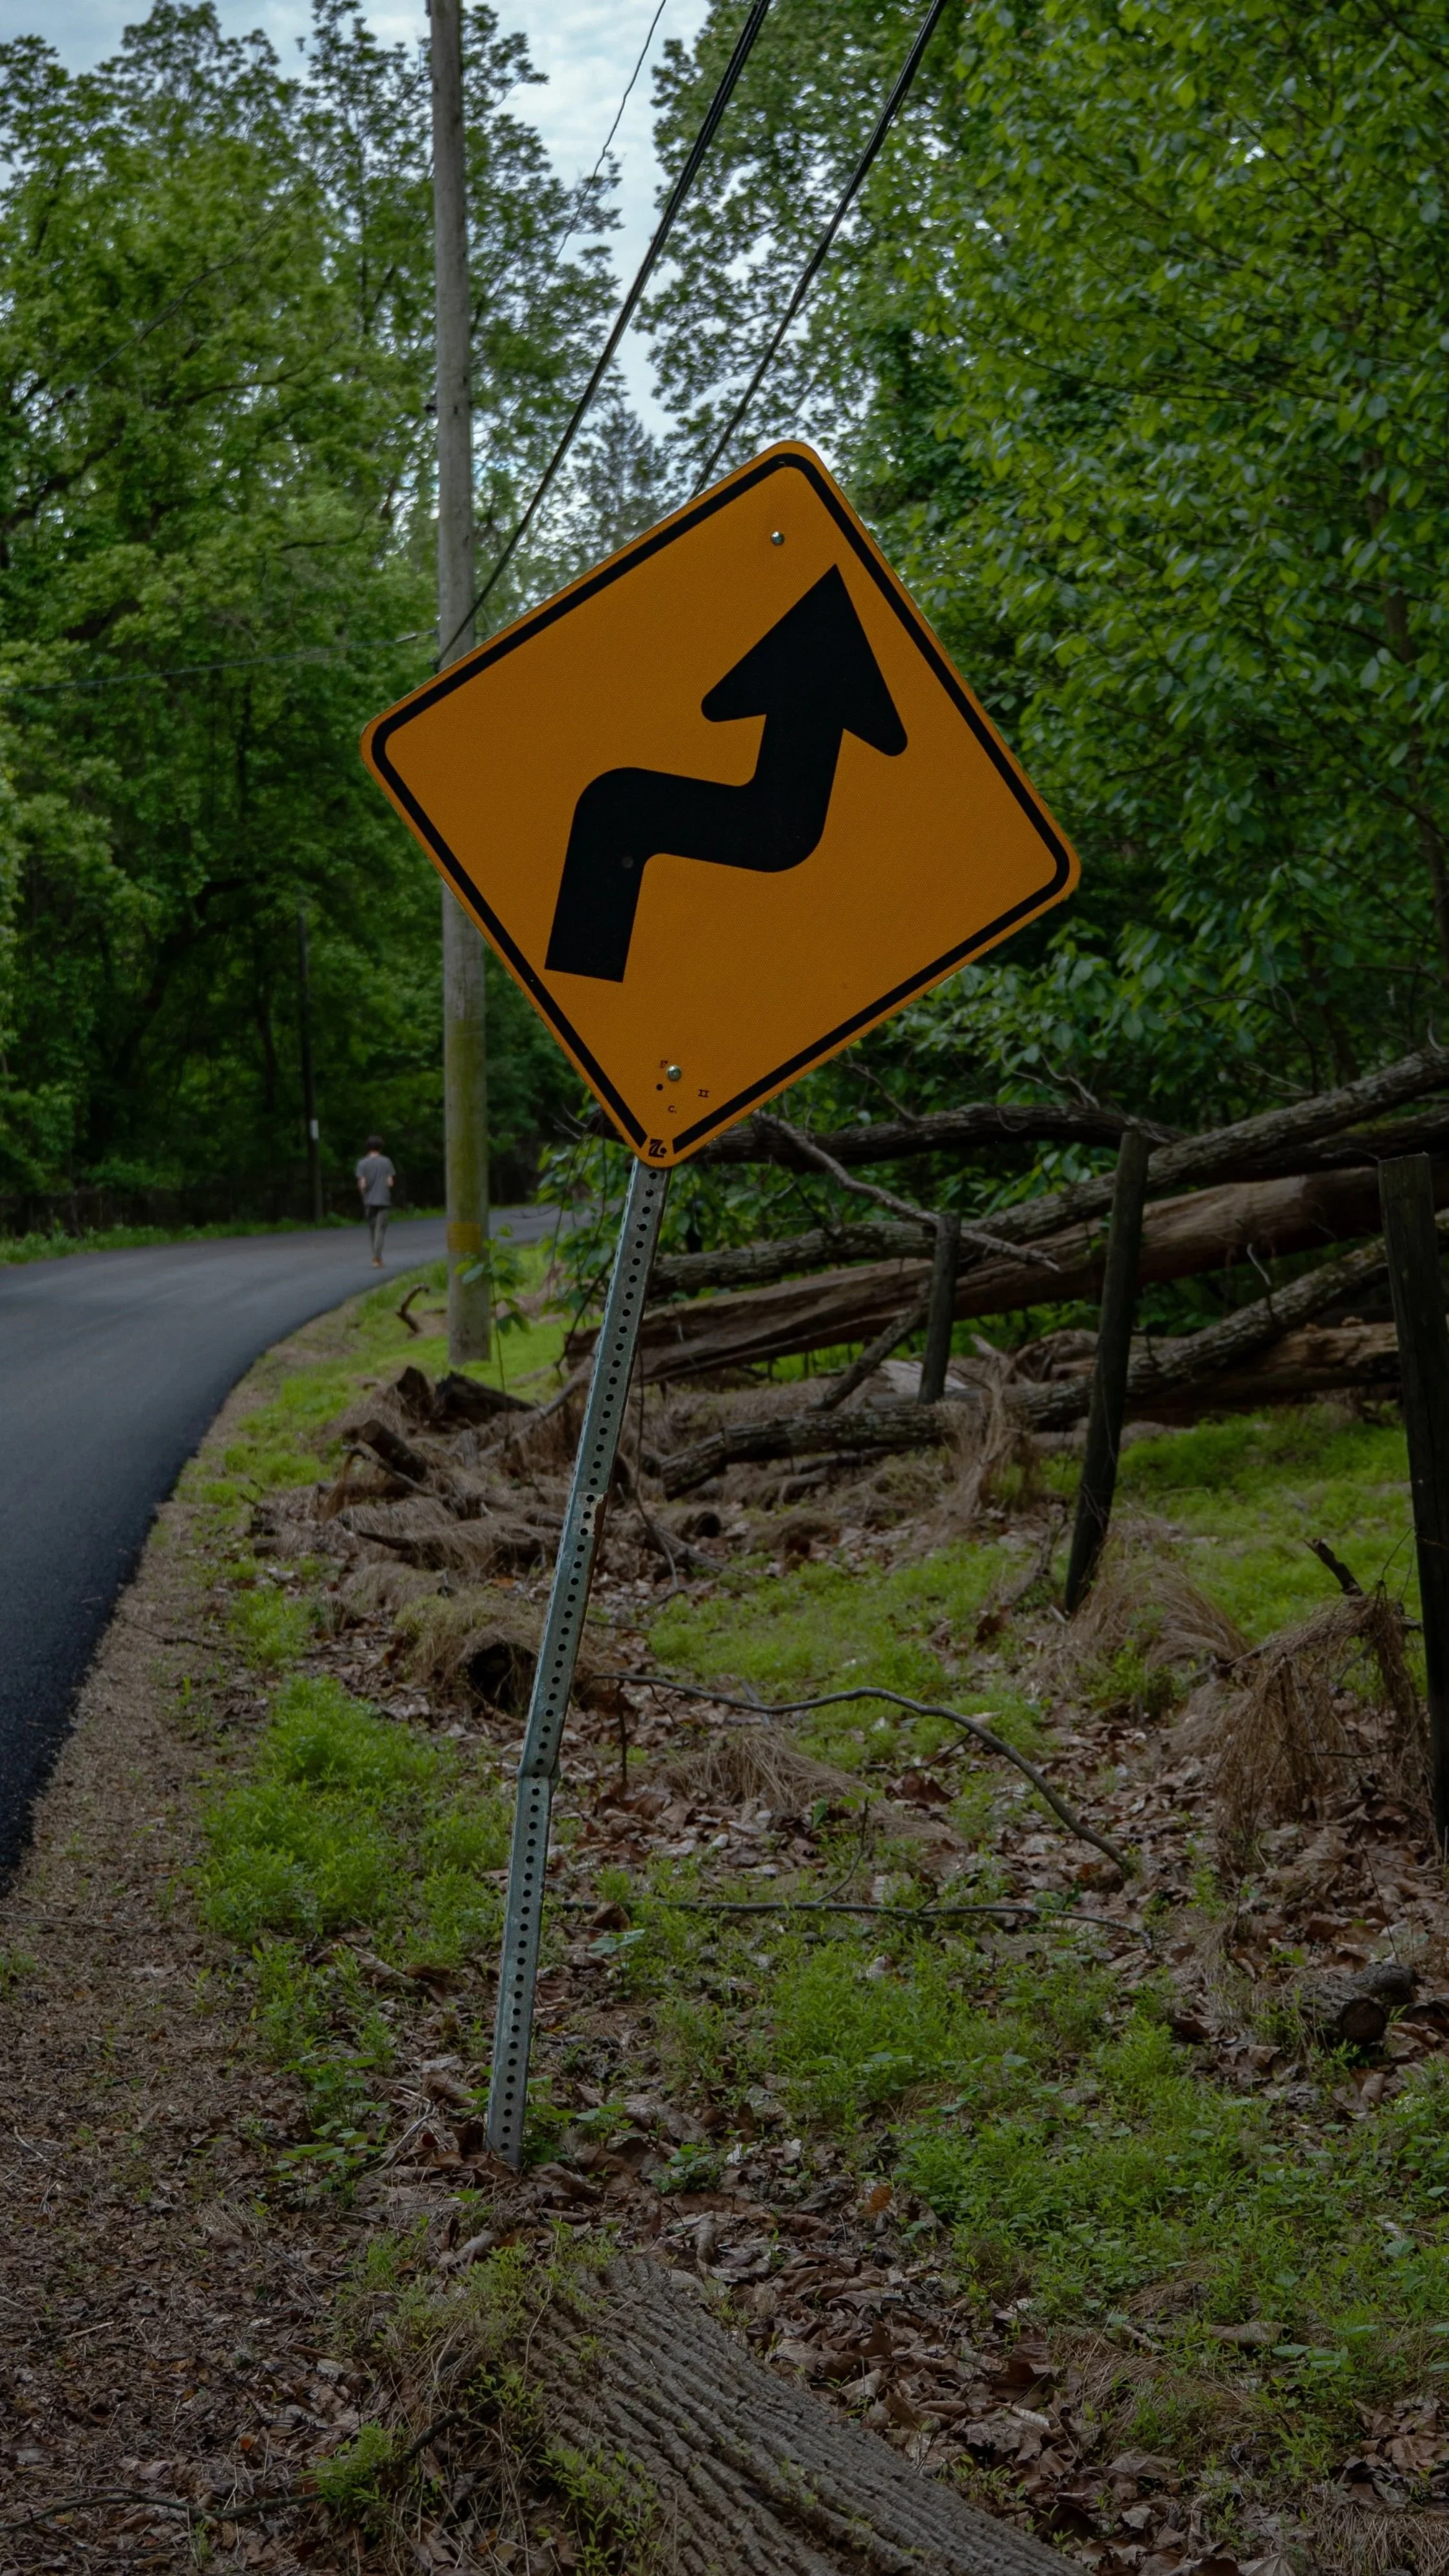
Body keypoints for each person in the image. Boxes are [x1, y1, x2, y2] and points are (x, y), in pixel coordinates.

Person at [355, 1133, 395, 1266]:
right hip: (383, 1200)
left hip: (369, 1201)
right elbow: (390, 1182)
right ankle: (377, 1258)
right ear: (381, 1147)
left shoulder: (362, 1163)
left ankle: (376, 1256)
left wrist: (364, 1196)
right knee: (380, 1230)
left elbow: (363, 1184)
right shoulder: (386, 1162)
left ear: (368, 1147)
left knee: (372, 1230)